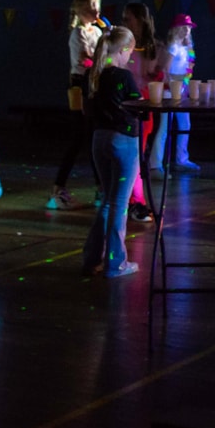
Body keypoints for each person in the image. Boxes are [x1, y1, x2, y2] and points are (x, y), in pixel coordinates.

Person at [81, 26, 145, 278]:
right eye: (130, 51)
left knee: (108, 201)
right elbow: (137, 106)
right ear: (123, 50)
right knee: (119, 203)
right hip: (123, 140)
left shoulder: (92, 74)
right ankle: (115, 262)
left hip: (99, 139)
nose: (130, 56)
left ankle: (92, 257)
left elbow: (86, 109)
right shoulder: (124, 76)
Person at [50, 0, 106, 209]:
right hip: (80, 85)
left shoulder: (98, 31)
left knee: (93, 138)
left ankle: (100, 187)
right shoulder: (78, 33)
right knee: (79, 136)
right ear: (80, 10)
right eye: (91, 6)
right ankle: (58, 189)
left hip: (94, 84)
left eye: (97, 6)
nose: (95, 10)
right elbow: (86, 58)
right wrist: (105, 56)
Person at [120, 0, 159, 224]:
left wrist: (158, 76)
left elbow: (151, 75)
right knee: (130, 156)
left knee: (136, 155)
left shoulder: (150, 47)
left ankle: (136, 201)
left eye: (128, 18)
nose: (124, 22)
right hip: (125, 103)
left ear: (140, 20)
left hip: (142, 105)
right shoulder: (123, 43)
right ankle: (131, 200)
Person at [156, 14, 201, 176]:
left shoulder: (187, 48)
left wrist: (185, 85)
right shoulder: (173, 47)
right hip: (170, 91)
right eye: (183, 27)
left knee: (185, 125)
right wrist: (173, 83)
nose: (186, 30)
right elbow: (165, 70)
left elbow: (188, 69)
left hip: (182, 90)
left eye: (188, 27)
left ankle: (182, 159)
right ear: (176, 29)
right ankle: (156, 163)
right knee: (164, 128)